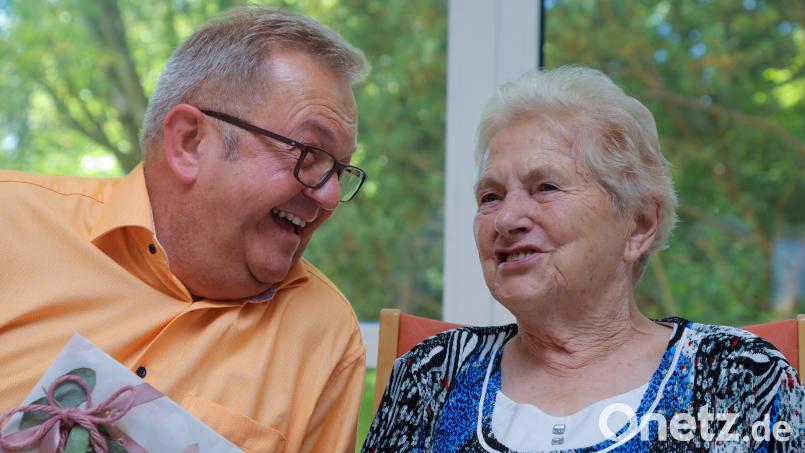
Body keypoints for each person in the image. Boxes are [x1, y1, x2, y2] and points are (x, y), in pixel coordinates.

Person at [363, 66, 803, 452]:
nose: (508, 218)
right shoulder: (430, 375)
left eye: (546, 187)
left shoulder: (737, 378)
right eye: (490, 196)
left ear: (639, 225)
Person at [0, 7, 369, 452]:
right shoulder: (11, 223)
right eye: (309, 154)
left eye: (340, 170)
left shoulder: (325, 334)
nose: (330, 197)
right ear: (190, 141)